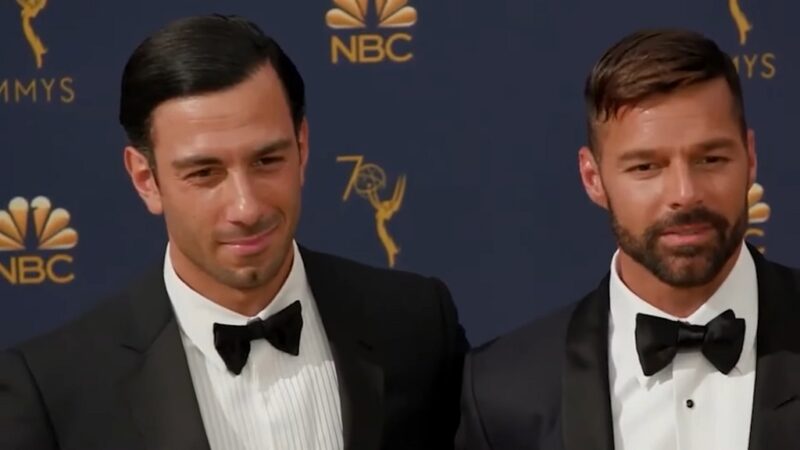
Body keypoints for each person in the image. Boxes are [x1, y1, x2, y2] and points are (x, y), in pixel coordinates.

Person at [0, 14, 467, 450]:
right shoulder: (54, 391)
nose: (246, 207)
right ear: (146, 179)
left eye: (267, 160)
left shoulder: (418, 326)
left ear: (302, 148)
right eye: (204, 173)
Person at [456, 29, 800, 450]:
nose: (684, 193)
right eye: (645, 167)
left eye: (711, 159)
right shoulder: (503, 391)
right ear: (592, 178)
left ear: (750, 157)